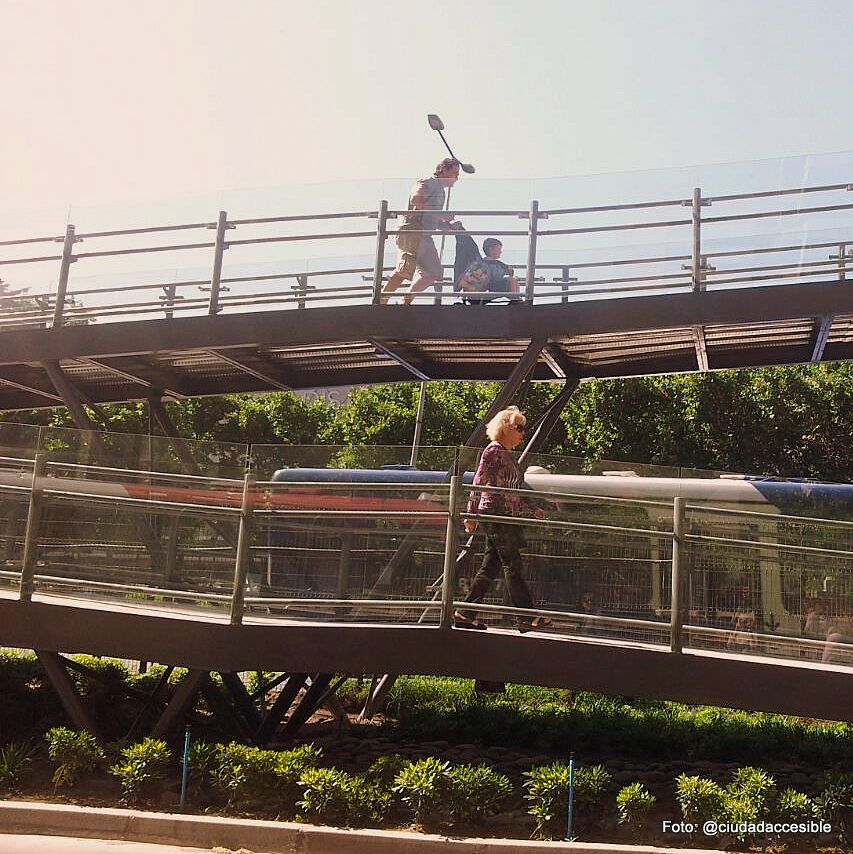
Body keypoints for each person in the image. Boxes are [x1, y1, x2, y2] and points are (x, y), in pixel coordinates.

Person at [454, 406, 549, 633]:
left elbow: (514, 488)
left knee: (491, 567)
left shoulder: (506, 455)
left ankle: (465, 613)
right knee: (512, 563)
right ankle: (527, 616)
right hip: (496, 514)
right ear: (505, 428)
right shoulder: (493, 451)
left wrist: (532, 506)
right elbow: (479, 480)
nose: (523, 433)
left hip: (504, 516)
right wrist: (471, 513)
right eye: (519, 428)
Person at [381, 158, 461, 305]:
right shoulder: (430, 182)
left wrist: (448, 226)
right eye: (454, 173)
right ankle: (382, 300)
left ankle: (404, 300)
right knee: (405, 268)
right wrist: (441, 215)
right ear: (443, 170)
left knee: (433, 272)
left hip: (423, 233)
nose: (457, 178)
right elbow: (416, 200)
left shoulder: (440, 191)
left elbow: (432, 218)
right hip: (413, 229)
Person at [457, 238, 522, 304]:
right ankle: (516, 303)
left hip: (471, 296)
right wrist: (507, 272)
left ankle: (516, 301)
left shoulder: (478, 262)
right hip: (481, 295)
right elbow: (496, 277)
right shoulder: (493, 264)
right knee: (512, 281)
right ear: (491, 250)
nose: (500, 251)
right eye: (499, 249)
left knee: (512, 281)